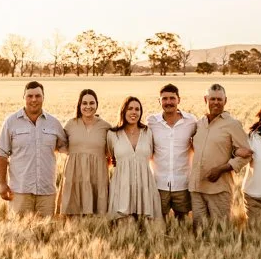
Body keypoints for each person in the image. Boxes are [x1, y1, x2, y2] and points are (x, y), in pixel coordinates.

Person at [0, 81, 67, 217]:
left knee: (46, 235)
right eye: (30, 96)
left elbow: (66, 148)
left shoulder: (54, 123)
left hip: (47, 192)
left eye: (38, 96)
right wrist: (2, 184)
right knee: (20, 234)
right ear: (24, 97)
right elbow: (2, 154)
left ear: (43, 98)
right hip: (20, 191)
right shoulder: (11, 122)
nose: (34, 100)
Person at [189, 84, 251, 228]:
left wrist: (222, 168)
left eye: (219, 99)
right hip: (197, 188)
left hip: (219, 189)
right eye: (212, 99)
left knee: (220, 230)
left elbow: (246, 154)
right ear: (205, 99)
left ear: (225, 100)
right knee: (199, 230)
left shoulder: (233, 124)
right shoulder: (199, 124)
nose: (216, 102)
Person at [147, 83, 198, 222]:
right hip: (159, 183)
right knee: (157, 222)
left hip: (182, 183)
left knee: (182, 223)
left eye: (172, 98)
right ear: (159, 101)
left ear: (178, 100)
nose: (168, 102)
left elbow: (202, 142)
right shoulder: (151, 122)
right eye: (164, 99)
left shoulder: (191, 121)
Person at [107, 96, 162, 224]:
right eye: (130, 108)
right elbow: (110, 156)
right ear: (123, 111)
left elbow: (152, 154)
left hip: (145, 185)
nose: (134, 112)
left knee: (148, 228)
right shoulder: (112, 134)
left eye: (137, 109)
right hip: (122, 186)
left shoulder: (148, 132)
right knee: (123, 227)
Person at [58, 88, 111, 217]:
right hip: (74, 174)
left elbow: (112, 151)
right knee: (72, 217)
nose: (88, 106)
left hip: (97, 175)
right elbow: (60, 145)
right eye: (84, 103)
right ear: (79, 105)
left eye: (92, 103)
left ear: (97, 104)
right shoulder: (70, 124)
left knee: (97, 216)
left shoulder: (106, 126)